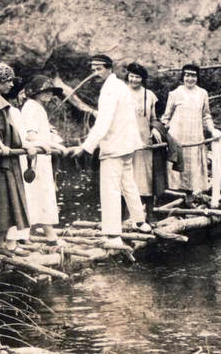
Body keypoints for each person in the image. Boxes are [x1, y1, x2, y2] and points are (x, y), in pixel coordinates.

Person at [67, 55, 151, 247]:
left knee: (111, 189)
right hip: (126, 145)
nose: (94, 73)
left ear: (109, 69)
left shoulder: (110, 89)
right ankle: (140, 221)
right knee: (128, 183)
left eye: (98, 69)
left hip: (115, 145)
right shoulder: (121, 86)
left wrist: (85, 148)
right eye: (92, 69)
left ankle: (113, 235)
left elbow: (103, 123)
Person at [0, 63, 33, 255]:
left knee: (3, 198)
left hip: (6, 156)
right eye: (8, 80)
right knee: (1, 199)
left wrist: (22, 145)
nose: (12, 85)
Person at [160, 64, 221, 206]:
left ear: (197, 77)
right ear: (183, 77)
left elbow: (206, 116)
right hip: (178, 136)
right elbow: (166, 117)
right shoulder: (175, 93)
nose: (190, 78)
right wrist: (164, 132)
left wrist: (213, 130)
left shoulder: (202, 93)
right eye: (187, 75)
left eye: (193, 75)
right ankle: (171, 197)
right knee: (175, 167)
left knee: (192, 167)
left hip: (195, 136)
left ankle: (190, 198)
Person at [21, 75, 66, 245]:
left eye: (50, 92)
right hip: (34, 159)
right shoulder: (31, 108)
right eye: (45, 92)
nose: (48, 95)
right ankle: (47, 236)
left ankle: (36, 234)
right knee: (36, 195)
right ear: (35, 92)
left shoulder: (38, 108)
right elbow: (30, 135)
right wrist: (48, 145)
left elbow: (42, 132)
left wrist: (56, 142)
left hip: (42, 159)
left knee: (43, 194)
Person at [125, 62, 160, 223]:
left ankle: (150, 213)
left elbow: (154, 118)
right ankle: (127, 214)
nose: (134, 80)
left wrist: (155, 129)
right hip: (126, 139)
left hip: (145, 141)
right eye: (131, 76)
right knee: (127, 176)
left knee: (146, 177)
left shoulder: (149, 95)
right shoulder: (121, 93)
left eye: (137, 77)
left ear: (142, 78)